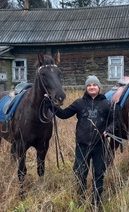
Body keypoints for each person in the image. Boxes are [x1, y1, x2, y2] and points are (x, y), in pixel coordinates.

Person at [53, 75, 113, 209]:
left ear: (99, 87)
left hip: (100, 146)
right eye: (89, 85)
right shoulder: (79, 103)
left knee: (99, 174)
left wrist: (109, 129)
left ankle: (96, 202)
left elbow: (115, 121)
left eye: (94, 85)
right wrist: (53, 106)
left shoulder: (106, 104)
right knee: (80, 173)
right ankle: (81, 200)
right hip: (82, 146)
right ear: (86, 88)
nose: (92, 87)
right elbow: (63, 114)